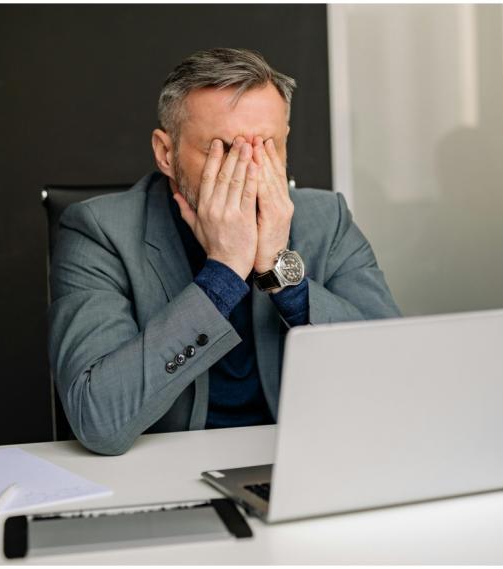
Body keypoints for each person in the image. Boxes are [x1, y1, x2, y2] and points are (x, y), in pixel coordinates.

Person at [48, 48, 400, 455]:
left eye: (267, 148)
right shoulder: (99, 232)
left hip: (305, 460)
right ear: (166, 153)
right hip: (166, 470)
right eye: (225, 150)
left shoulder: (327, 219)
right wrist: (225, 271)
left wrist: (281, 276)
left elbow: (395, 376)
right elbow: (99, 421)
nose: (249, 171)